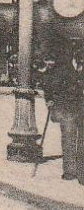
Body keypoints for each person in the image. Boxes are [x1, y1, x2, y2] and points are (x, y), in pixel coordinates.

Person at [40, 43, 83, 183]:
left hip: (78, 108)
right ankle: (70, 171)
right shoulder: (63, 69)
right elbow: (49, 86)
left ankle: (81, 173)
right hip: (68, 109)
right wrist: (50, 100)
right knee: (69, 139)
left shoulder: (77, 69)